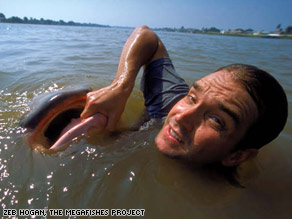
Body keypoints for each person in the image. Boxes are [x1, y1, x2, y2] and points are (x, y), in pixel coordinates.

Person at [80, 25, 288, 167]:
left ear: (237, 156)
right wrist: (120, 87)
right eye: (192, 97)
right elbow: (146, 36)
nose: (180, 116)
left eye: (216, 120)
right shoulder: (169, 102)